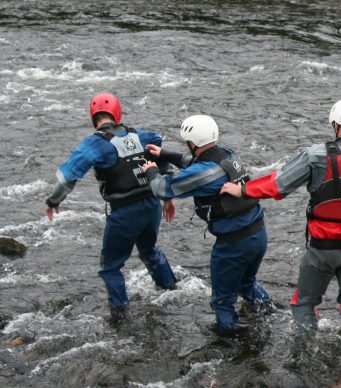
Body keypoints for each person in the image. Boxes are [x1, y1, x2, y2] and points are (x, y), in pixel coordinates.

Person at [220, 98, 341, 360]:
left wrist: (242, 189)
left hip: (321, 248)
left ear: (335, 125)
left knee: (304, 303)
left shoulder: (314, 155)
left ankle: (303, 360)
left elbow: (278, 186)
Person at [44, 93, 178, 323]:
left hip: (125, 212)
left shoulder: (95, 143)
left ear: (93, 117)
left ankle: (119, 316)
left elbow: (68, 177)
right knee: (149, 250)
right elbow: (160, 150)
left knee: (110, 267)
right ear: (117, 114)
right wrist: (167, 196)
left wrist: (53, 201)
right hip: (151, 206)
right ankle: (172, 291)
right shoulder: (143, 135)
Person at [139, 115, 272, 337]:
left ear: (192, 143)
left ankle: (231, 345)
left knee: (222, 302)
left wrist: (151, 170)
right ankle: (269, 315)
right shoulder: (227, 155)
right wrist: (164, 154)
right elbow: (193, 163)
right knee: (246, 284)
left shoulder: (202, 173)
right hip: (258, 235)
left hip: (232, 245)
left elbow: (163, 188)